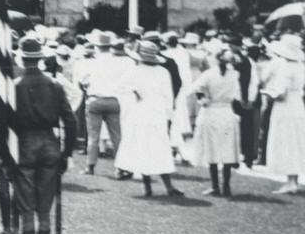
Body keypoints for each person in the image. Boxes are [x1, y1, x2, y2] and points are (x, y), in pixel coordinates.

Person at [6, 36, 77, 234]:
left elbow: (7, 124)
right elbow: (70, 120)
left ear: (22, 59)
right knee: (44, 209)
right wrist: (66, 153)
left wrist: (7, 155)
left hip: (25, 144)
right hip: (49, 144)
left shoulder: (14, 86)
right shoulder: (54, 85)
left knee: (27, 209)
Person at [116, 40, 184, 199]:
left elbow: (120, 87)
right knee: (158, 147)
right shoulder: (162, 72)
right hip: (156, 112)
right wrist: (168, 116)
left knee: (144, 147)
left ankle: (150, 187)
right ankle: (166, 186)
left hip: (142, 111)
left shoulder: (136, 71)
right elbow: (169, 97)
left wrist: (134, 92)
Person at [190, 49, 242, 196]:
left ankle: (215, 186)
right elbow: (237, 96)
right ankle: (226, 186)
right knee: (226, 150)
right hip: (226, 112)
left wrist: (202, 98)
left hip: (212, 112)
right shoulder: (235, 75)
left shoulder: (209, 74)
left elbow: (194, 88)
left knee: (212, 150)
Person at [76, 30, 128, 175]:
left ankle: (90, 166)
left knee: (93, 136)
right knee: (117, 136)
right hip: (113, 99)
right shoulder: (118, 62)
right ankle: (120, 167)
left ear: (97, 46)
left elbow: (82, 81)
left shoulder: (91, 62)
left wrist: (87, 88)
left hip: (95, 99)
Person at [264, 34, 305, 194]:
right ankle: (293, 180)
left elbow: (281, 94)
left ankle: (291, 181)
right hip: (298, 106)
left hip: (285, 108)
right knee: (295, 141)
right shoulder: (300, 66)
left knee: (286, 142)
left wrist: (268, 93)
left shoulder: (285, 69)